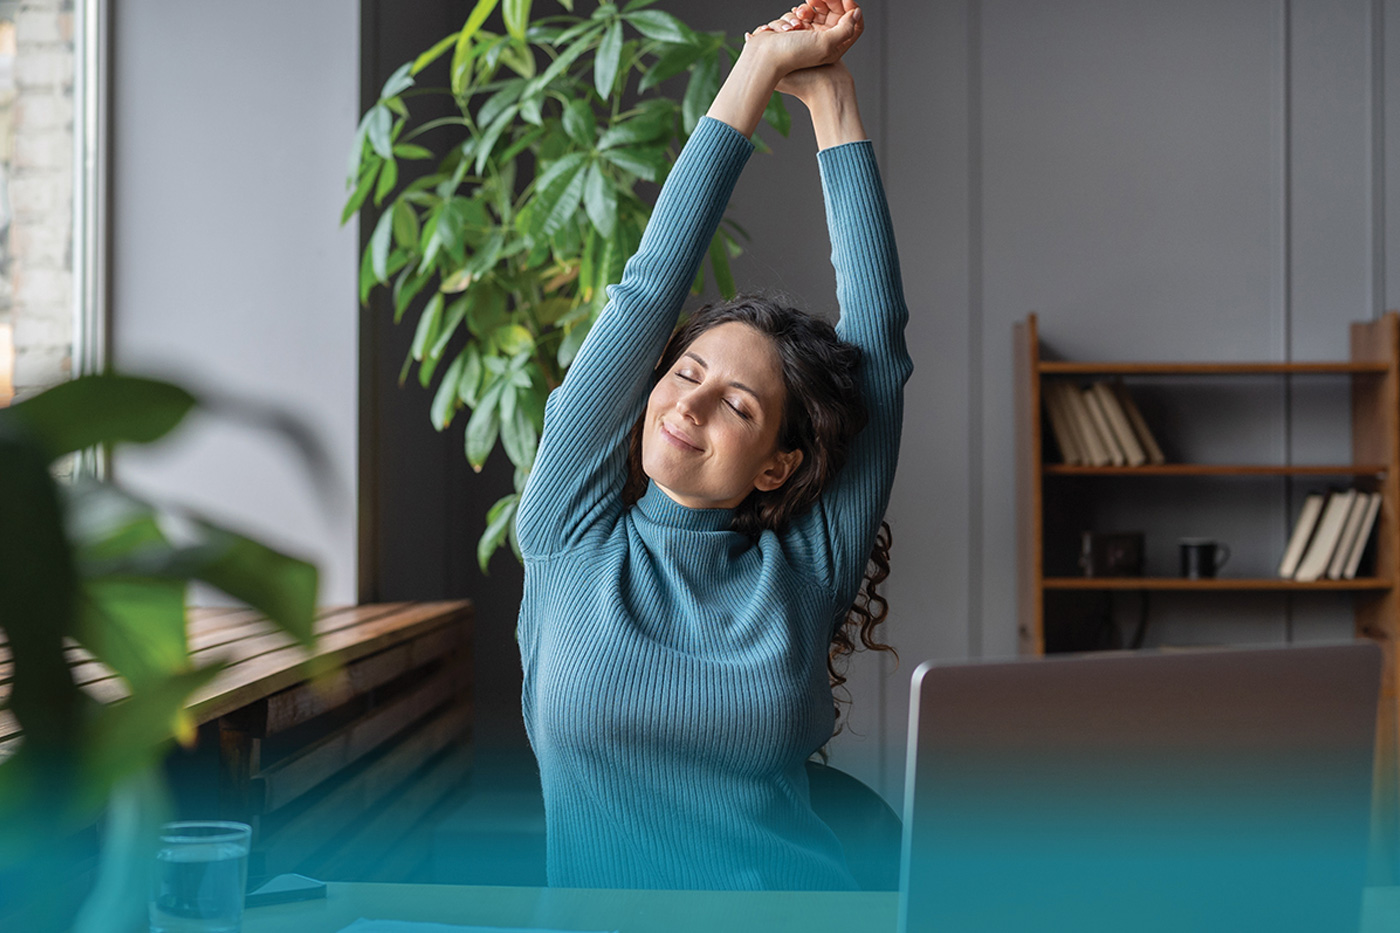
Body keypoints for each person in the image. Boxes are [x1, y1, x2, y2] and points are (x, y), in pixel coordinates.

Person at [514, 0, 912, 890]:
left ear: (776, 462)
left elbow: (878, 346)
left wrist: (832, 100)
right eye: (686, 373)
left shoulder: (802, 572)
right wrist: (758, 67)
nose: (688, 406)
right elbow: (648, 291)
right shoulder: (570, 532)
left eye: (736, 403)